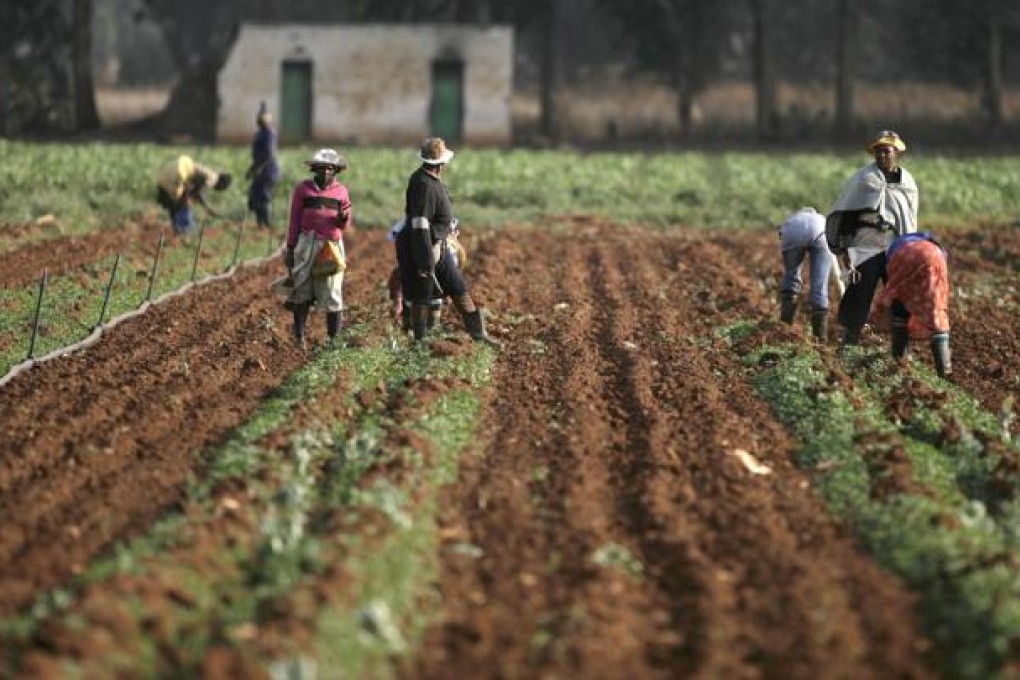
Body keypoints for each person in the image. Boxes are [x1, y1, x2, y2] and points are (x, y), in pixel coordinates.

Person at [395, 137, 497, 346]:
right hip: (423, 245)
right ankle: (420, 342)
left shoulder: (430, 181)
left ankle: (479, 335)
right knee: (422, 295)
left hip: (437, 244)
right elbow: (420, 224)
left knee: (458, 287)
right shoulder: (424, 185)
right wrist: (424, 260)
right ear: (442, 163)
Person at [826, 130, 919, 345]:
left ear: (896, 153)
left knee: (900, 296)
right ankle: (850, 342)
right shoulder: (863, 179)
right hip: (866, 246)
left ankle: (900, 348)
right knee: (859, 293)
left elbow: (910, 218)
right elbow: (848, 214)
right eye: (878, 152)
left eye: (886, 151)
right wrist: (845, 248)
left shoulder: (907, 183)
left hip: (896, 248)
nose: (882, 156)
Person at [284, 148, 353, 348]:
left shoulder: (341, 191)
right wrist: (290, 248)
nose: (325, 172)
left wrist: (343, 216)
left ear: (336, 171)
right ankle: (299, 337)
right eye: (322, 168)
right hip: (306, 243)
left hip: (330, 246)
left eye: (330, 168)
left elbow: (345, 224)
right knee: (302, 288)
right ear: (314, 169)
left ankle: (334, 339)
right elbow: (294, 220)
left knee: (332, 290)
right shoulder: (303, 189)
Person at [870, 232, 951, 377]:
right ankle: (945, 370)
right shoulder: (934, 244)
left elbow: (889, 274)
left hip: (903, 258)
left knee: (900, 300)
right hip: (935, 257)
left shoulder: (896, 245)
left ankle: (899, 361)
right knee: (936, 310)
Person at [778, 206, 839, 340]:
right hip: (820, 235)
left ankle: (785, 326)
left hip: (792, 233)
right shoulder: (821, 219)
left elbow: (781, 235)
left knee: (791, 275)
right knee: (819, 286)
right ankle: (820, 337)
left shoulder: (792, 219)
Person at [155, 155, 232, 236]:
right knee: (185, 204)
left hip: (168, 174)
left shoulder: (205, 172)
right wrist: (189, 200)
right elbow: (197, 192)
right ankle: (185, 230)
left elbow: (196, 192)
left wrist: (206, 207)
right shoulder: (213, 178)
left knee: (174, 204)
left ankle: (178, 229)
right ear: (221, 184)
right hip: (179, 174)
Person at [245, 102, 281, 230]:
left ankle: (266, 223)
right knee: (255, 196)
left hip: (268, 171)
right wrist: (251, 169)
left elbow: (268, 154)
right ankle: (260, 224)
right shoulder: (259, 133)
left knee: (263, 196)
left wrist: (257, 168)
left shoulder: (269, 133)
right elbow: (258, 156)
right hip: (260, 170)